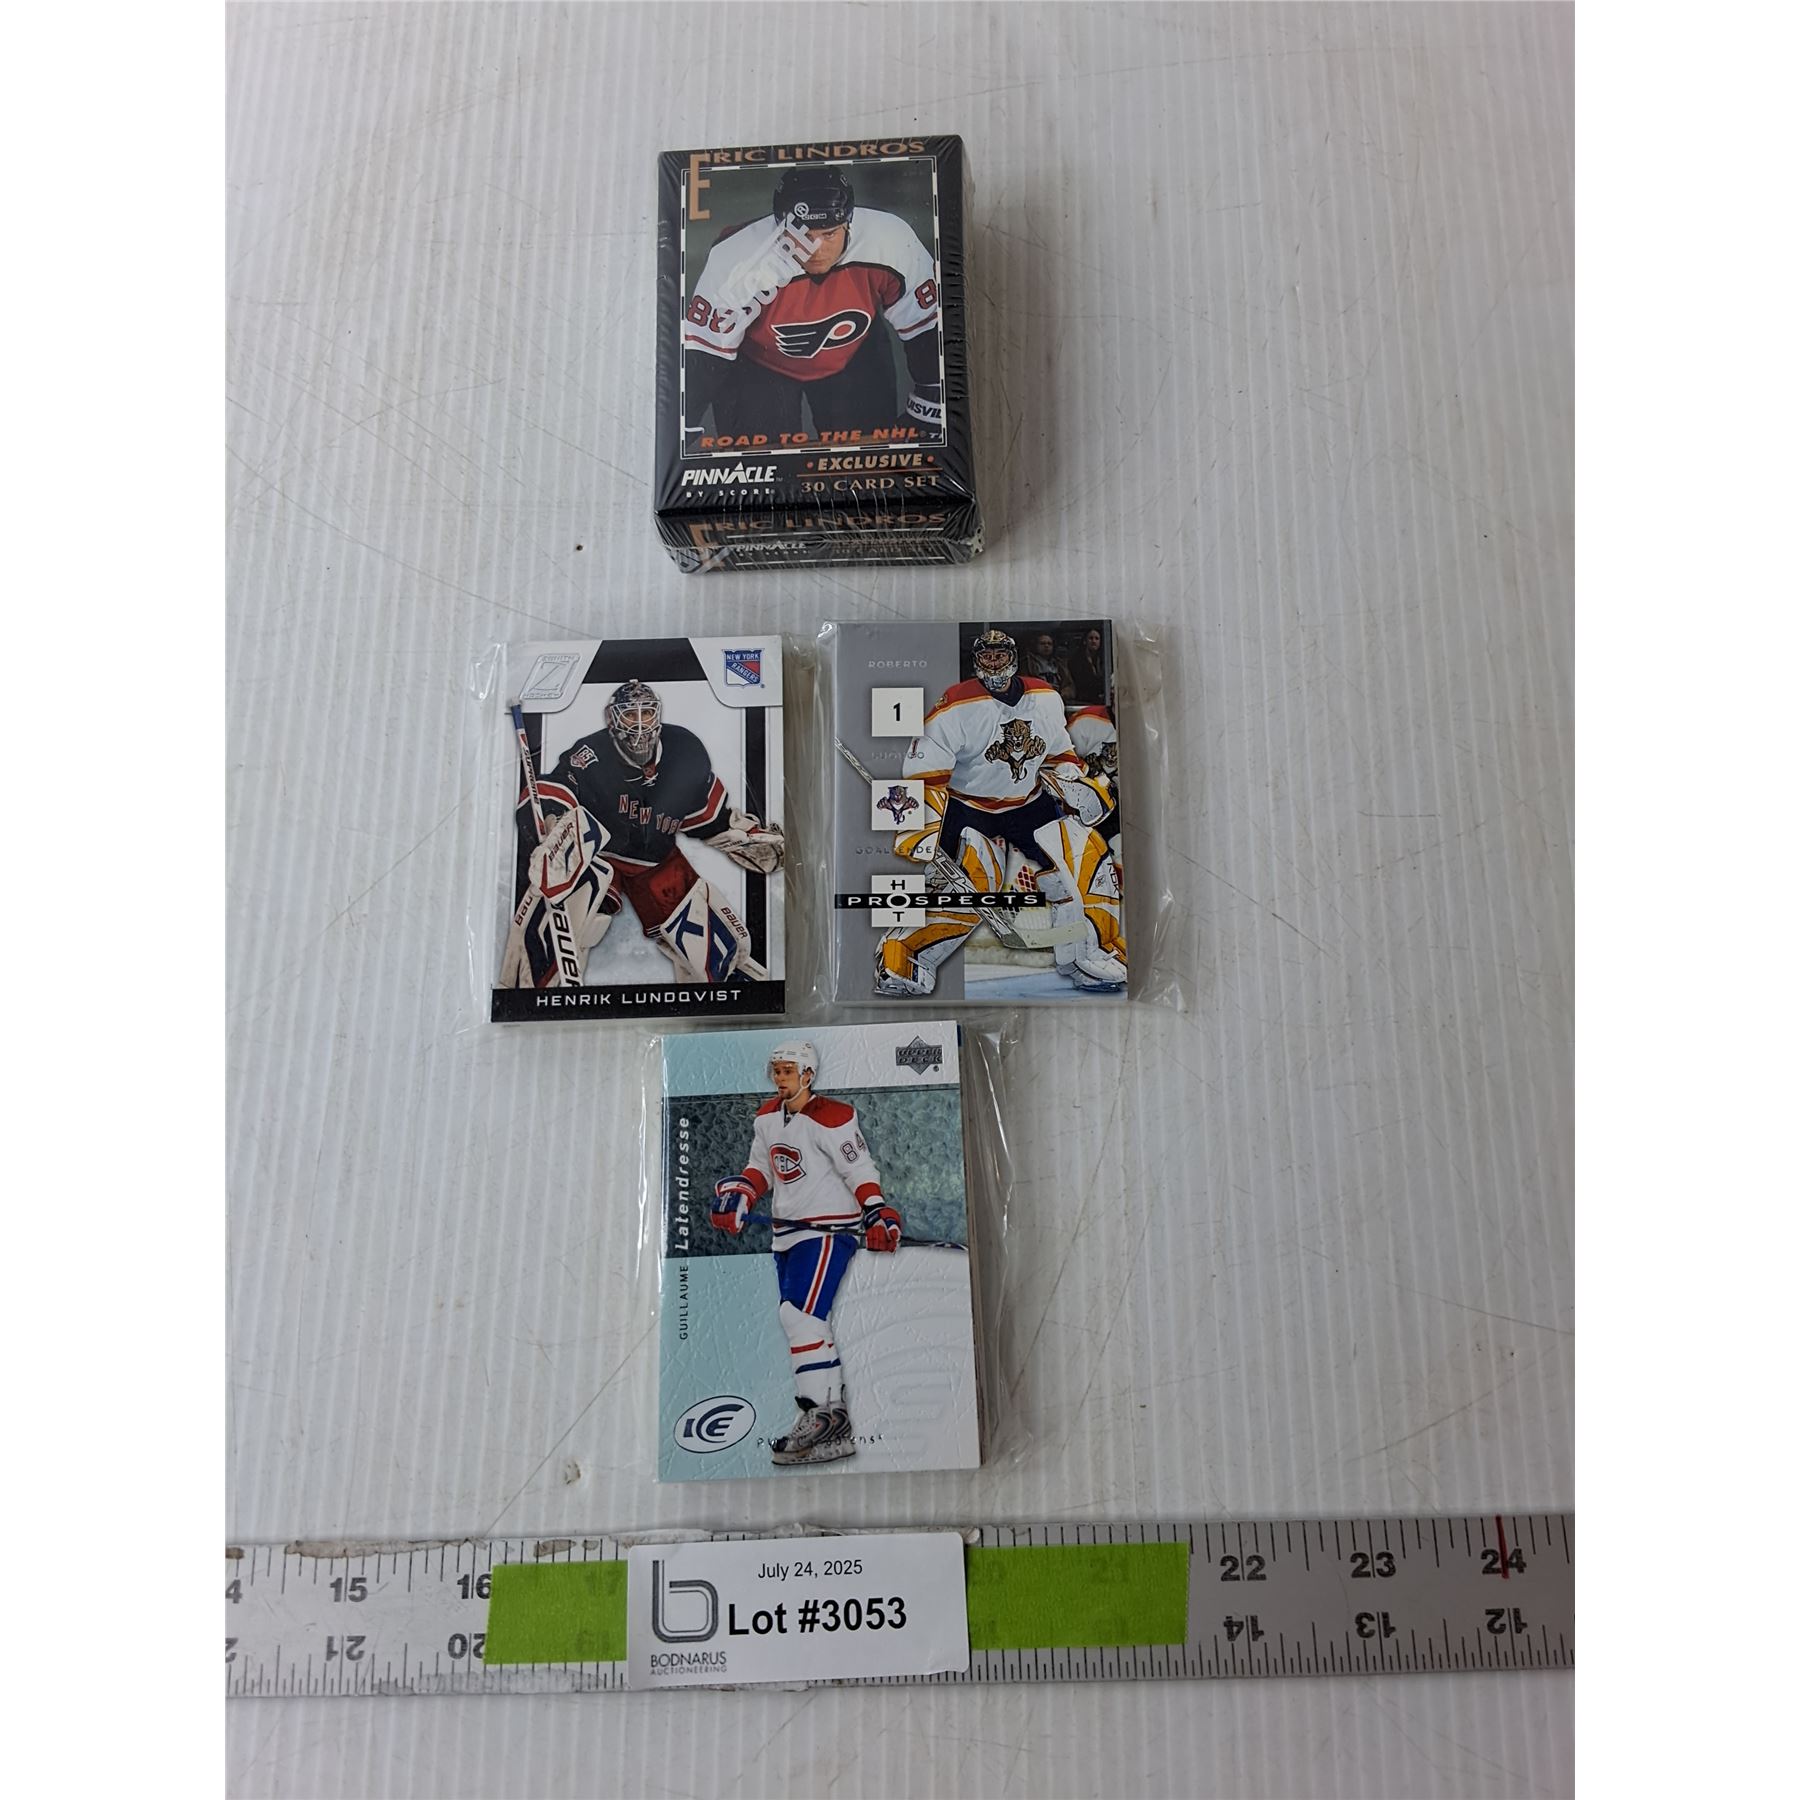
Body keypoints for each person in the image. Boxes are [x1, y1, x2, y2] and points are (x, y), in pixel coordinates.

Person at [875, 629, 1127, 995]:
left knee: (1088, 859)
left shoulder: (1045, 696)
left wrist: (1071, 778)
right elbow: (924, 772)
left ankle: (1088, 954)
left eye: (1000, 656)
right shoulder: (955, 705)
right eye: (986, 657)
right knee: (968, 884)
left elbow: (1058, 751)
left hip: (1030, 804)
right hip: (970, 808)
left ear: (1013, 659)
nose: (994, 664)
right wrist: (919, 828)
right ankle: (904, 955)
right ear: (977, 662)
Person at [503, 680, 783, 989]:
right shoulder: (590, 753)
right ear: (612, 719)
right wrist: (550, 820)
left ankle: (730, 995)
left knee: (715, 949)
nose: (639, 724)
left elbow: (706, 814)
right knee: (563, 915)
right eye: (629, 715)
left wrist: (745, 835)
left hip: (654, 860)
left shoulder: (685, 751)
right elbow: (556, 788)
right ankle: (529, 989)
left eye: (646, 713)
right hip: (597, 855)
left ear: (657, 715)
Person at [710, 1041, 903, 1466]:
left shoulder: (832, 1117)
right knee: (805, 1322)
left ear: (808, 1074)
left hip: (828, 1231)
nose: (779, 1077)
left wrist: (875, 1210)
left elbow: (858, 1168)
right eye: (776, 1070)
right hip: (787, 1234)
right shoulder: (767, 1117)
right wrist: (743, 1195)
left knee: (799, 1317)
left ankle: (816, 1413)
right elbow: (761, 1168)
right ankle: (833, 1421)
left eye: (787, 1070)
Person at [682, 167, 943, 443]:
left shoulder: (891, 239)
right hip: (758, 364)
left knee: (865, 461)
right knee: (765, 466)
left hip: (855, 355)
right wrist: (680, 428)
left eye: (829, 234)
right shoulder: (737, 256)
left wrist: (931, 405)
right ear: (780, 224)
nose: (816, 249)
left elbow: (928, 327)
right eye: (803, 235)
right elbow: (704, 354)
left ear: (848, 223)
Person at [1022, 630, 1075, 701]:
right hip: (1036, 698)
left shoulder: (1060, 664)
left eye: (1049, 644)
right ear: (1036, 645)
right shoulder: (1027, 663)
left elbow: (1069, 685)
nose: (1046, 646)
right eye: (1042, 643)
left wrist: (1064, 693)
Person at [1068, 627, 1109, 704]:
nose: (1094, 641)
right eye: (1091, 638)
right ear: (1085, 641)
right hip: (1082, 701)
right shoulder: (1076, 660)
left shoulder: (1105, 659)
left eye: (1097, 638)